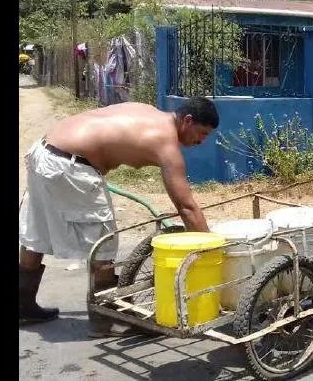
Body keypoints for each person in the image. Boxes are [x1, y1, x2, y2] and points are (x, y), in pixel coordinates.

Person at [19, 97, 219, 336]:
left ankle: (23, 306)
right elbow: (186, 207)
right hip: (70, 166)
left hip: (44, 151)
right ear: (188, 121)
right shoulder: (165, 143)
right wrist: (212, 250)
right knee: (103, 245)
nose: (202, 141)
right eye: (203, 133)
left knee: (36, 233)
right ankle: (106, 321)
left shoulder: (148, 111)